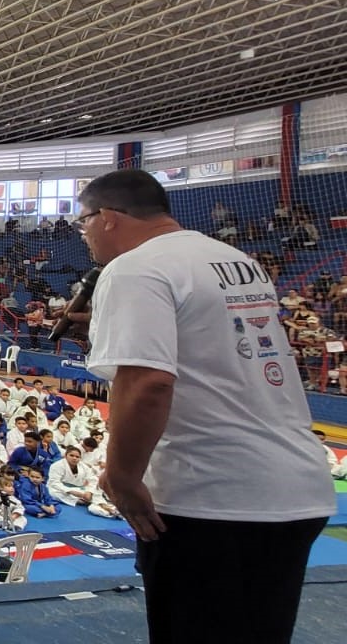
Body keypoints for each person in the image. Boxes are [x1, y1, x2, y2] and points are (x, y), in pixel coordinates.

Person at [78, 169, 335, 643]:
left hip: (211, 494)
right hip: (297, 487)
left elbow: (148, 383)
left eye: (83, 222)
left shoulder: (134, 269)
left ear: (108, 217)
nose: (84, 234)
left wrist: (123, 477)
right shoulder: (237, 260)